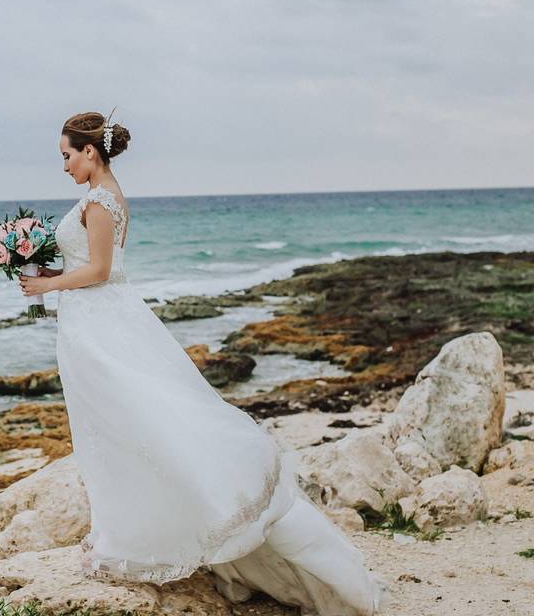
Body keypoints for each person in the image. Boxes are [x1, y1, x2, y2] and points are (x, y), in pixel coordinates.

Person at [19, 110, 389, 615]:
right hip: (92, 324)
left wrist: (46, 285)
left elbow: (101, 271)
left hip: (103, 325)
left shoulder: (102, 200)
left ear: (91, 151)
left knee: (136, 427)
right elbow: (87, 266)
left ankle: (135, 538)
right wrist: (44, 268)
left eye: (67, 155)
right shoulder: (95, 198)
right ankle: (121, 531)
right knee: (110, 430)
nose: (63, 165)